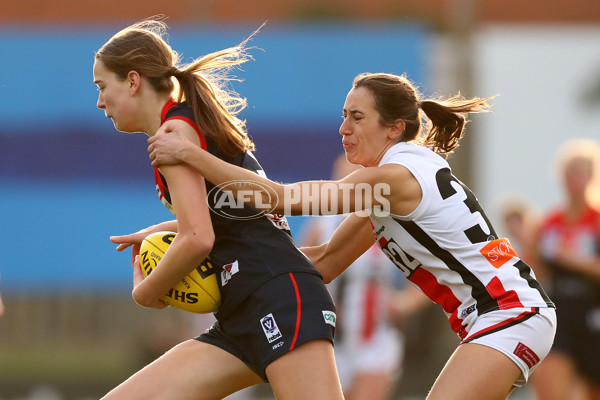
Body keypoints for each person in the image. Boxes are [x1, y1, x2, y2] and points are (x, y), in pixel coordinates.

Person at [148, 72, 557, 400]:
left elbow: (283, 198)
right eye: (344, 115)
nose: (343, 128)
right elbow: (324, 261)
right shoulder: (389, 188)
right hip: (500, 316)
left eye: (357, 117)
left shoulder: (394, 179)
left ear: (394, 128)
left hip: (510, 313)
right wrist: (203, 248)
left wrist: (191, 155)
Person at [93, 18, 344, 400]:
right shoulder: (182, 126)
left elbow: (198, 238)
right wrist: (159, 230)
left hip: (278, 295)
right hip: (242, 310)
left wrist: (146, 294)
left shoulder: (173, 137)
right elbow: (224, 217)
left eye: (102, 86)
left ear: (132, 80)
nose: (99, 101)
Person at [300, 153, 428, 400]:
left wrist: (403, 304)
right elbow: (300, 275)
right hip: (333, 336)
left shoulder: (390, 222)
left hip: (376, 335)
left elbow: (426, 278)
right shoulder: (322, 226)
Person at [530, 139, 600, 400]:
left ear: (592, 175)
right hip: (560, 316)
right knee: (550, 384)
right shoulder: (548, 222)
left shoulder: (596, 219)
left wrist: (573, 260)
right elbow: (533, 270)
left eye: (579, 172)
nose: (572, 178)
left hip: (593, 315)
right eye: (568, 172)